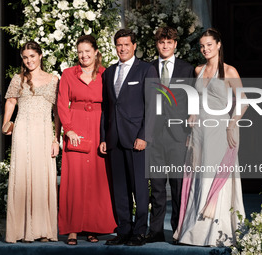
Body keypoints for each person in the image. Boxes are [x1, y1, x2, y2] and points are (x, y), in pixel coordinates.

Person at [173, 28, 247, 247]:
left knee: (213, 174)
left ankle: (214, 231)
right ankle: (194, 230)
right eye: (202, 46)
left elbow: (243, 101)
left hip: (220, 129)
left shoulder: (229, 71)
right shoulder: (198, 70)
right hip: (199, 131)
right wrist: (192, 115)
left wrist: (232, 123)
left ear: (219, 45)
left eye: (209, 45)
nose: (205, 49)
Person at [100, 29, 158, 246]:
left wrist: (144, 135)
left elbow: (153, 107)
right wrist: (104, 137)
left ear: (134, 46)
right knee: (120, 190)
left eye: (126, 44)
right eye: (119, 45)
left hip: (137, 140)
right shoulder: (108, 72)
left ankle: (139, 232)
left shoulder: (146, 70)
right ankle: (123, 229)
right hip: (114, 139)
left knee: (140, 189)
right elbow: (106, 108)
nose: (122, 48)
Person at [57, 35, 116, 245]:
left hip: (99, 128)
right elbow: (62, 104)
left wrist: (109, 134)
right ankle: (72, 229)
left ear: (96, 51)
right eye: (80, 52)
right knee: (74, 179)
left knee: (97, 178)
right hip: (77, 127)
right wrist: (69, 130)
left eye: (87, 51)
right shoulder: (67, 74)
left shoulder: (106, 74)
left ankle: (93, 227)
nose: (83, 55)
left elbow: (112, 105)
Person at [3, 41, 60, 243]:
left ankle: (43, 230)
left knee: (42, 178)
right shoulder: (17, 79)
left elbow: (58, 112)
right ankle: (20, 230)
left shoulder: (54, 80)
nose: (29, 61)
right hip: (23, 132)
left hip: (44, 132)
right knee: (22, 177)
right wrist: (5, 123)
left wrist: (56, 139)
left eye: (32, 56)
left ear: (40, 56)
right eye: (25, 57)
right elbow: (11, 101)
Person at [146, 26, 194, 243]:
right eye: (161, 42)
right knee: (156, 187)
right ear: (157, 44)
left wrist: (189, 132)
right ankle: (155, 231)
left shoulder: (187, 69)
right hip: (154, 136)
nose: (165, 46)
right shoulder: (148, 69)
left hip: (178, 135)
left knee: (176, 186)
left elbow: (194, 101)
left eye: (169, 42)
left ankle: (177, 229)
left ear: (175, 44)